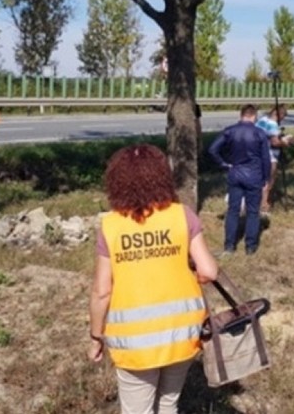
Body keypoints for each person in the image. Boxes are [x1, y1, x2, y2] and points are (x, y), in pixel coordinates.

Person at [89, 144, 219, 414]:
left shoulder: (111, 226)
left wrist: (95, 336)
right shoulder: (182, 215)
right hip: (182, 331)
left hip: (134, 341)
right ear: (162, 177)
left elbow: (102, 292)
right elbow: (209, 271)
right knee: (168, 404)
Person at [208, 104, 272, 255]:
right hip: (254, 175)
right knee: (252, 212)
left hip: (235, 173)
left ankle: (229, 245)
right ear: (254, 116)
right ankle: (250, 246)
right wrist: (266, 179)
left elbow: (212, 149)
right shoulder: (259, 133)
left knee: (233, 210)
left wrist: (224, 164)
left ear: (241, 115)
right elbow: (265, 158)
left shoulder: (230, 131)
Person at [255, 104, 289, 215]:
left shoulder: (262, 121)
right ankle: (263, 204)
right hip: (270, 156)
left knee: (258, 179)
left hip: (257, 154)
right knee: (269, 180)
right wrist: (285, 142)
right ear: (280, 115)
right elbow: (275, 142)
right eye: (283, 116)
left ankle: (255, 202)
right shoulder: (273, 125)